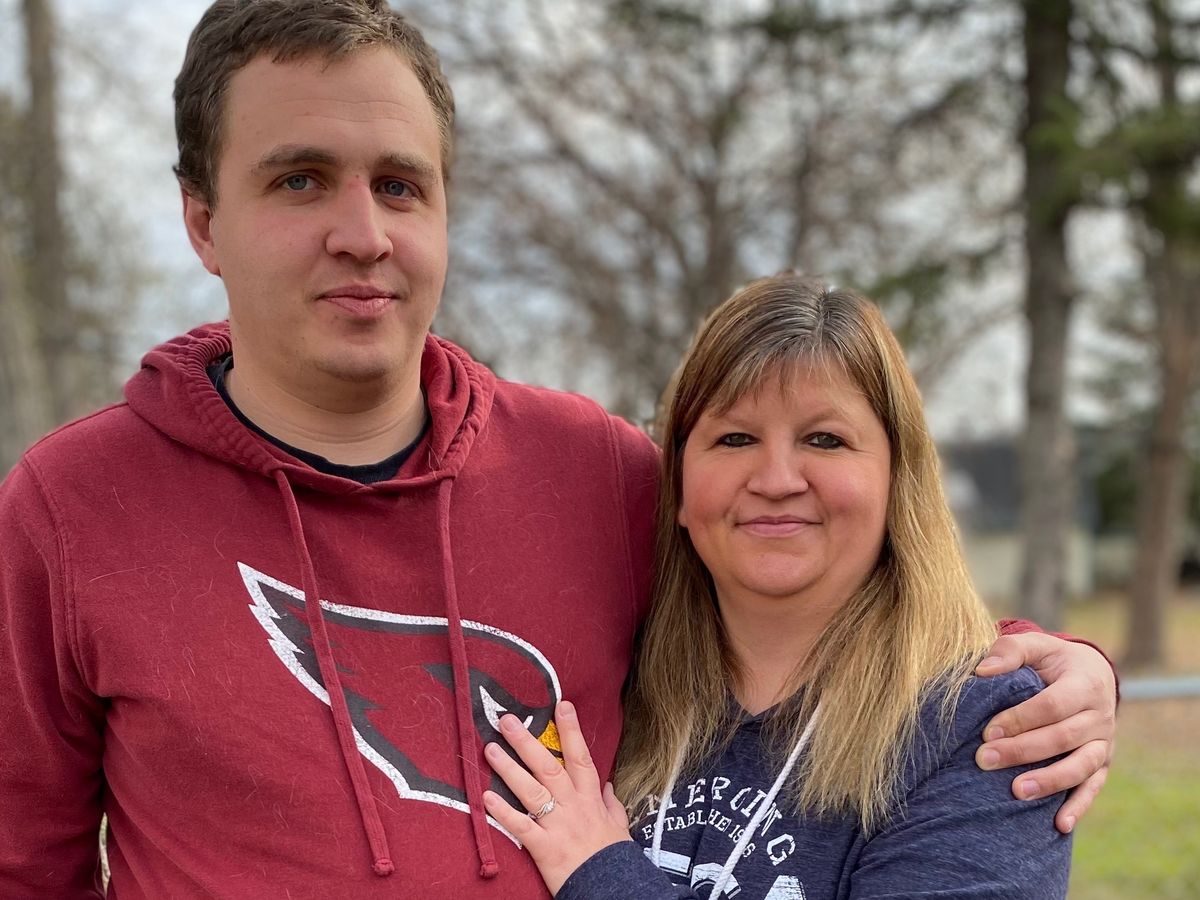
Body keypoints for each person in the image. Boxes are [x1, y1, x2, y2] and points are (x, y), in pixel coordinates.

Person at [0, 2, 1113, 897]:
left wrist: (1052, 669)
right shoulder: (72, 506)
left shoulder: (591, 472)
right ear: (202, 220)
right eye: (300, 179)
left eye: (400, 185)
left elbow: (798, 554)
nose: (363, 234)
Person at [483, 275, 1076, 898]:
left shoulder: (986, 723)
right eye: (735, 438)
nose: (776, 479)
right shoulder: (606, 686)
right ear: (678, 486)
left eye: (825, 439)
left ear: (897, 478)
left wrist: (599, 873)